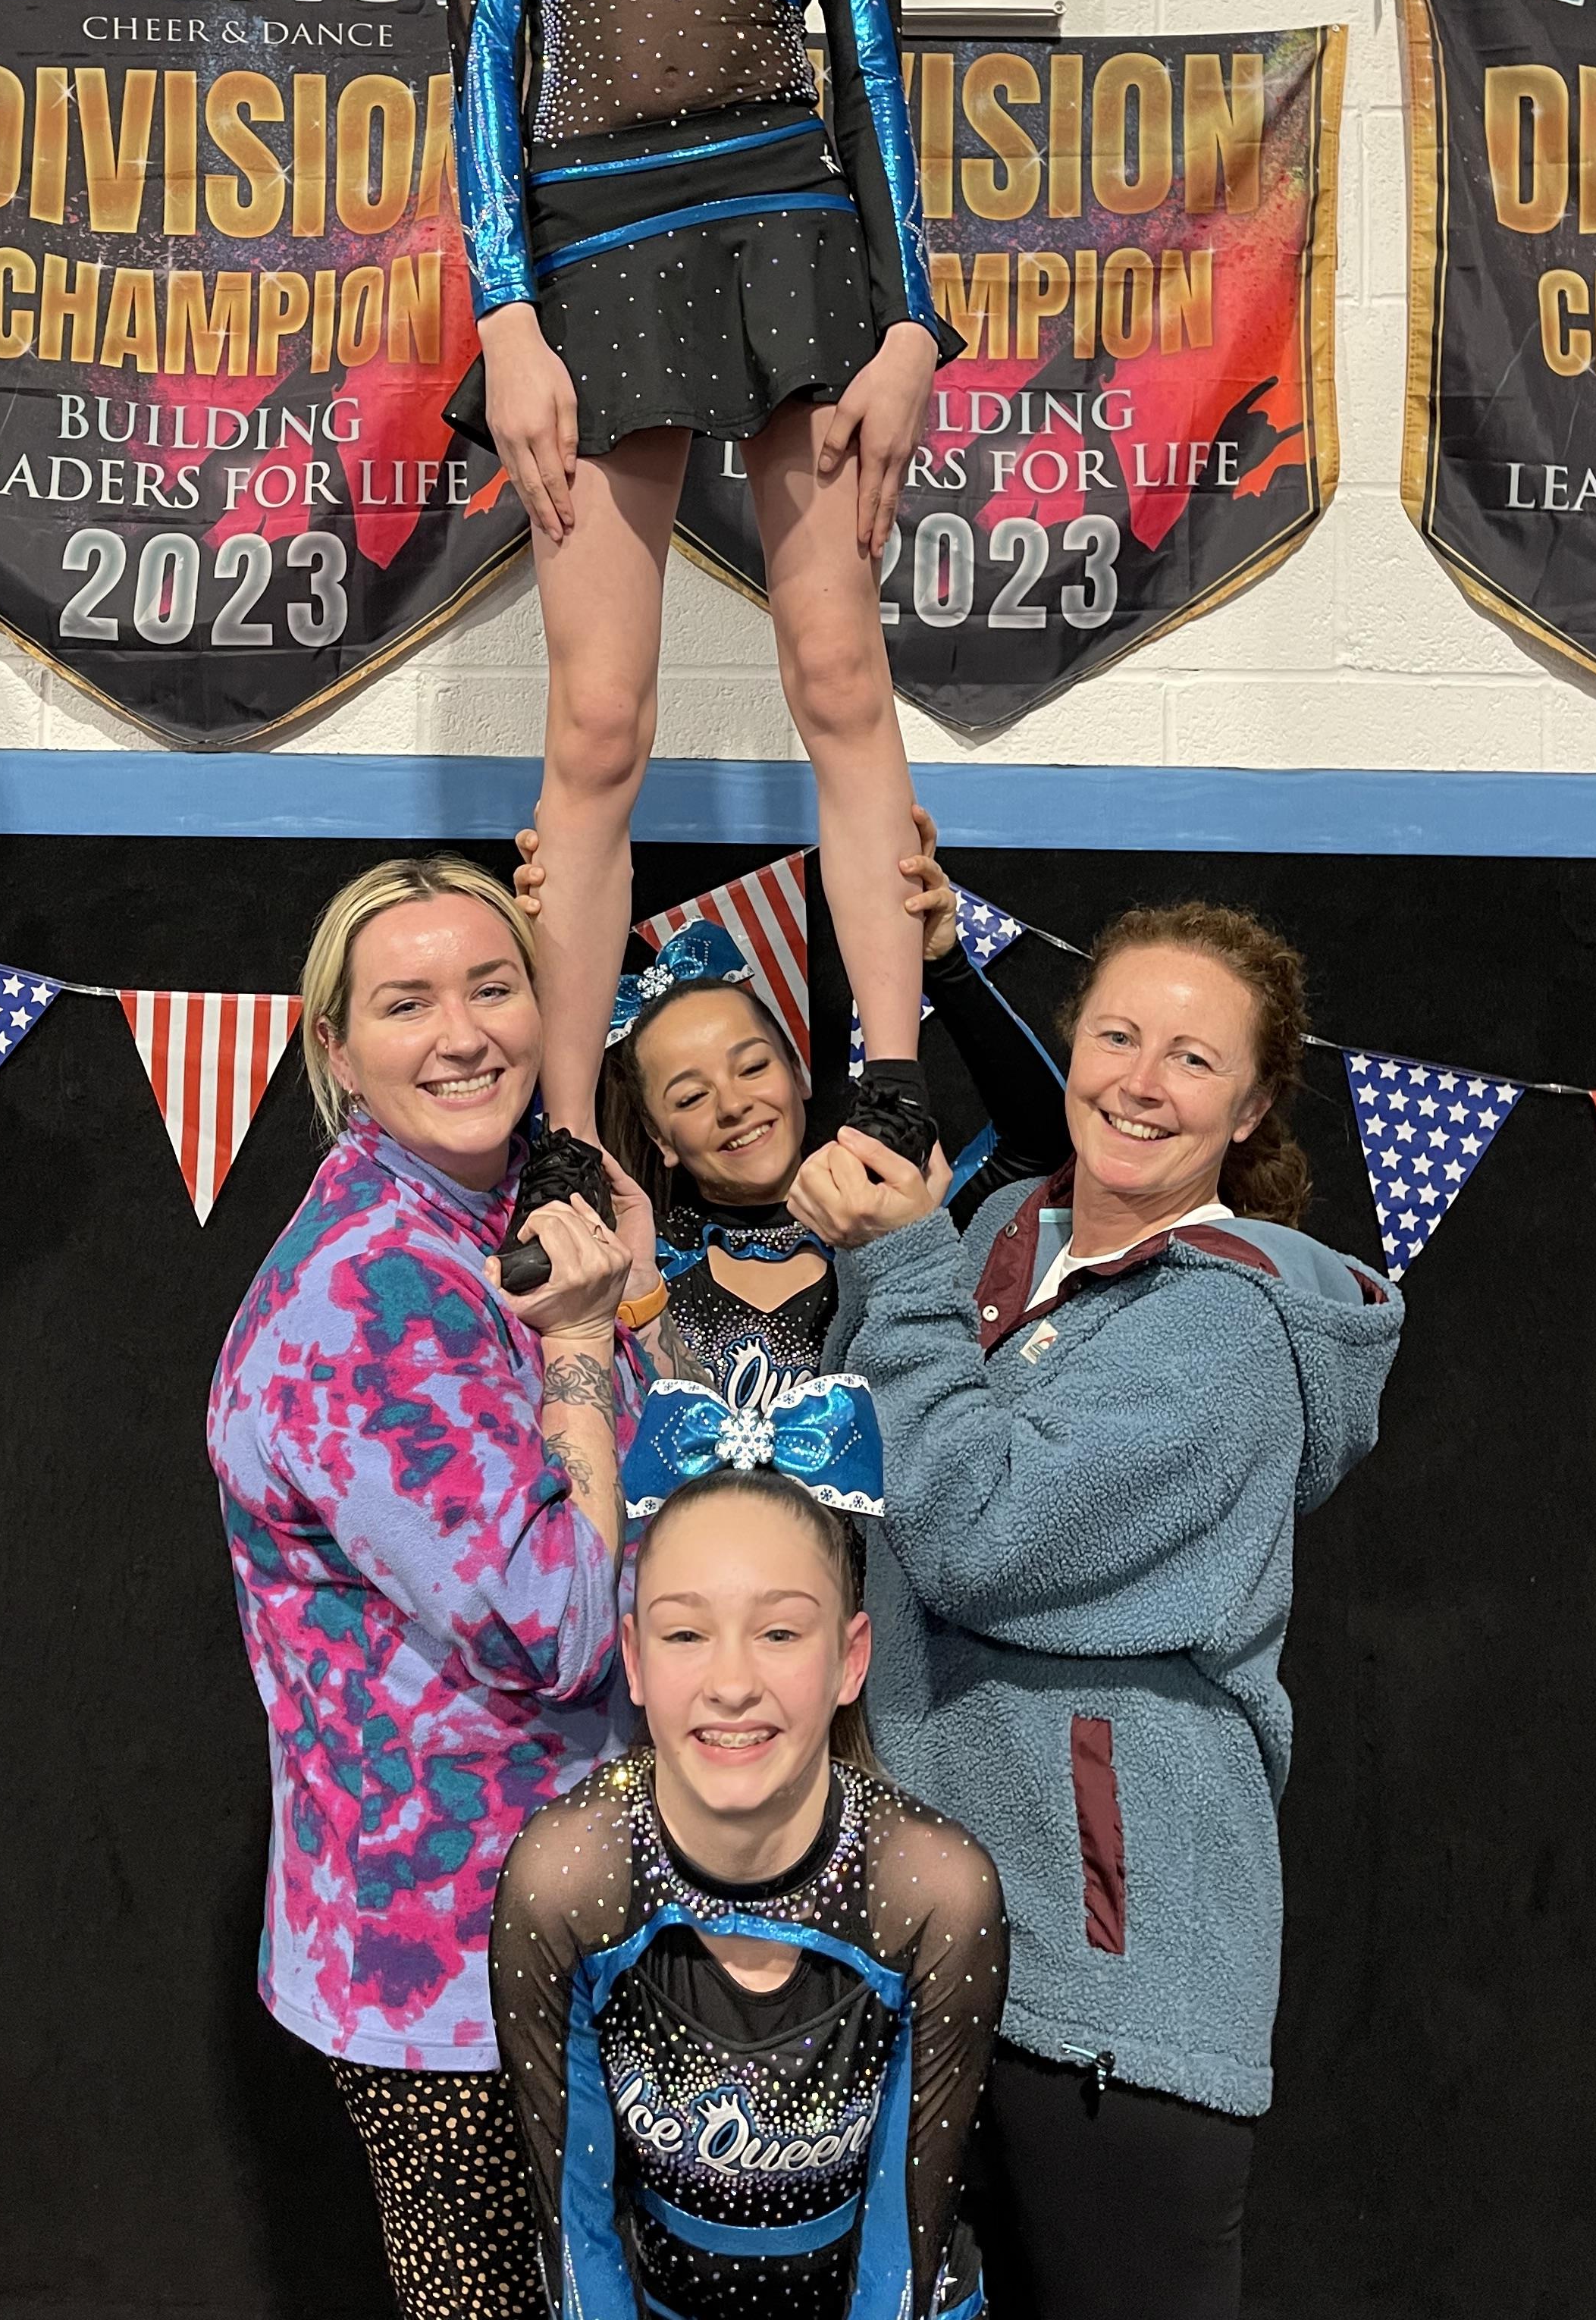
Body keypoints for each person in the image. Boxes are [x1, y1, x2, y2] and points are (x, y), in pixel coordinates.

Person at [444, 0, 961, 1285]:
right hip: (590, 258)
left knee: (840, 674)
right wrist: (507, 316)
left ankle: (889, 1081)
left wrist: (912, 325)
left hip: (789, 240)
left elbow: (878, 87)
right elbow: (482, 58)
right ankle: (570, 1140)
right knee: (599, 717)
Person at [799, 903, 1406, 2320]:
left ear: (1250, 1107)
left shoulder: (1235, 1328)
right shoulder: (1008, 1234)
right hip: (923, 1928)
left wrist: (901, 1265)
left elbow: (981, 1534)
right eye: (1117, 1036)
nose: (1140, 1080)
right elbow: (863, 1462)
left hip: (1103, 1981)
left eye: (1192, 1058)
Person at [205, 856, 660, 2320]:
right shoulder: (368, 1294)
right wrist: (583, 1346)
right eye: (405, 1002)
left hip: (584, 1921)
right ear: (335, 1048)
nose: (461, 1033)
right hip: (459, 1975)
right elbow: (559, 1623)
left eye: (492, 984)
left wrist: (636, 1308)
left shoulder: (502, 1216)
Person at [488, 1353, 1007, 2318]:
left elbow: (903, 2253)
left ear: (850, 1658)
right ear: (634, 1657)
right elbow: (575, 2232)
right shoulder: (565, 1878)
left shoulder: (933, 1890)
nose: (732, 1684)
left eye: (780, 1634)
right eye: (687, 1635)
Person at [513, 809, 1070, 1389]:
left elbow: (1042, 1144)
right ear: (660, 1137)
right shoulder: (621, 1258)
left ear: (798, 1075)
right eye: (692, 1096)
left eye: (753, 1067)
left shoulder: (899, 1222)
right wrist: (543, 943)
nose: (732, 1105)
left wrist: (945, 964)